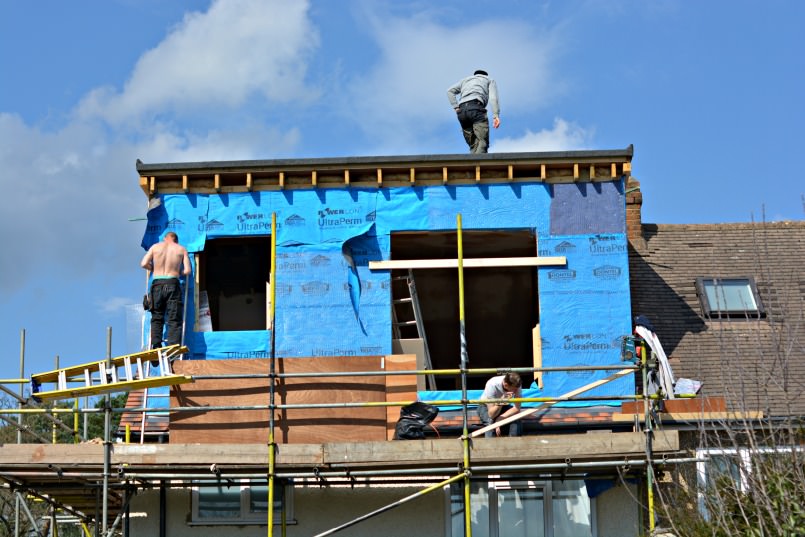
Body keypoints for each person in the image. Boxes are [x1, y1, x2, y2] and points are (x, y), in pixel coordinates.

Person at [140, 231, 191, 349]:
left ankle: (156, 345)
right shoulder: (181, 249)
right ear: (176, 240)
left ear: (165, 238)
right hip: (173, 283)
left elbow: (143, 264)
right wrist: (178, 272)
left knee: (157, 317)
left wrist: (152, 268)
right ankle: (173, 348)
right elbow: (187, 271)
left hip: (157, 284)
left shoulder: (155, 247)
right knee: (174, 318)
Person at [446, 69, 501, 154]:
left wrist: (456, 107)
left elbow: (449, 91)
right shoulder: (489, 79)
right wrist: (496, 115)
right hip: (476, 108)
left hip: (462, 112)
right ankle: (479, 166)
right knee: (483, 142)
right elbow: (493, 98)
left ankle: (472, 165)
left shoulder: (464, 80)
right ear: (486, 75)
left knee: (473, 145)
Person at [477, 372, 522, 437]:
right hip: (485, 406)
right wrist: (501, 401)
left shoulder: (517, 385)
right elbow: (491, 415)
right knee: (490, 422)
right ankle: (490, 446)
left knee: (515, 419)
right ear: (506, 385)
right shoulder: (492, 384)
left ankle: (513, 444)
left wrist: (499, 419)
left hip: (503, 405)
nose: (516, 391)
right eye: (514, 389)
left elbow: (517, 408)